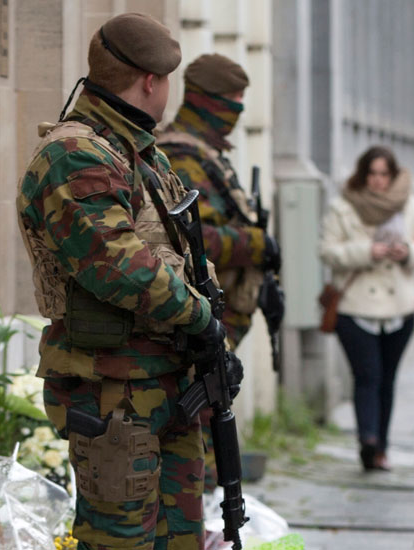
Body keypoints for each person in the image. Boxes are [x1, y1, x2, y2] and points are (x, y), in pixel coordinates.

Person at [16, 13, 239, 549]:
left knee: (181, 540)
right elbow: (118, 266)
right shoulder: (76, 156)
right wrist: (203, 320)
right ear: (151, 81)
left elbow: (180, 256)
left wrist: (214, 342)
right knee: (120, 543)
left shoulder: (143, 154)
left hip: (167, 382)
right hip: (114, 392)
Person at [157, 54, 283, 490]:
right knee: (200, 440)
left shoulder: (209, 154)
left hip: (219, 321)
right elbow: (194, 238)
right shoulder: (181, 154)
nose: (238, 110)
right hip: (200, 322)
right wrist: (256, 244)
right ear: (207, 101)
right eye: (232, 100)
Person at [319, 146, 414, 471]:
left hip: (400, 306)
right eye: (372, 173)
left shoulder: (407, 202)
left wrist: (408, 251)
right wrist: (367, 251)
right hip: (355, 307)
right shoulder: (343, 206)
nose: (378, 181)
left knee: (387, 378)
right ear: (363, 174)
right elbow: (327, 251)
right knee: (367, 375)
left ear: (392, 175)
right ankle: (368, 441)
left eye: (384, 174)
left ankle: (381, 446)